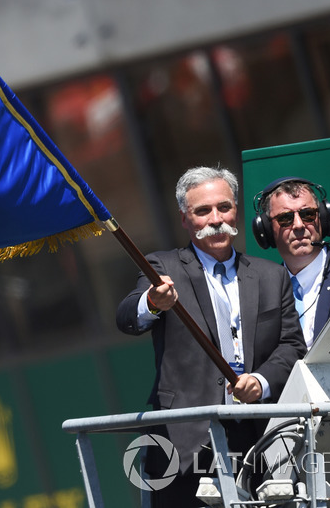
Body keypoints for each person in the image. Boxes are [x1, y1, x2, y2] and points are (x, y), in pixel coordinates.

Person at [116, 166, 306, 508]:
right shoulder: (162, 267)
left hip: (259, 442)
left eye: (223, 207)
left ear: (236, 209)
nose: (216, 218)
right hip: (185, 444)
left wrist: (260, 382)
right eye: (202, 211)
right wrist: (153, 303)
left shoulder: (271, 276)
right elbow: (128, 316)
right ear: (185, 220)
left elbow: (292, 346)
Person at [252, 176, 330, 348]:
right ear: (266, 230)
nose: (298, 225)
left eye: (307, 214)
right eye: (285, 218)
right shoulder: (261, 290)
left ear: (324, 218)